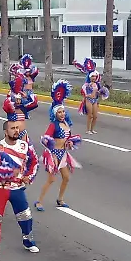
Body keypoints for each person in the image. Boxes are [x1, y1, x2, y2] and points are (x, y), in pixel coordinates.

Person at [0, 119, 40, 261]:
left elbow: (34, 162)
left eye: (17, 128)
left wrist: (29, 176)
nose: (16, 130)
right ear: (5, 131)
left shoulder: (25, 146)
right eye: (13, 128)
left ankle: (28, 241)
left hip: (18, 189)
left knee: (26, 217)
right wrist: (9, 172)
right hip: (0, 188)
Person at [35, 81, 81, 212]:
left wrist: (69, 143)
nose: (62, 114)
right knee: (51, 179)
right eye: (59, 112)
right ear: (55, 113)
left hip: (63, 154)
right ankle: (39, 201)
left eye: (63, 112)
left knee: (66, 177)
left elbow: (66, 139)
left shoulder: (66, 123)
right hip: (53, 154)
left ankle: (60, 199)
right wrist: (53, 155)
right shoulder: (53, 125)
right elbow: (46, 139)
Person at [2, 74, 39, 138]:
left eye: (19, 99)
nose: (18, 101)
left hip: (22, 134)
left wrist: (27, 96)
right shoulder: (10, 109)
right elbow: (6, 104)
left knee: (27, 147)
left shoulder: (23, 107)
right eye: (16, 99)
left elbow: (34, 103)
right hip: (12, 135)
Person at [78, 70, 108, 135]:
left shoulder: (97, 84)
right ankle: (88, 130)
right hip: (89, 100)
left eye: (95, 76)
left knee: (95, 116)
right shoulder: (87, 85)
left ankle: (92, 129)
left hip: (95, 100)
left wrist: (100, 93)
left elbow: (100, 93)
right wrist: (87, 95)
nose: (94, 77)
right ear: (90, 77)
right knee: (90, 116)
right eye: (92, 76)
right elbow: (83, 93)